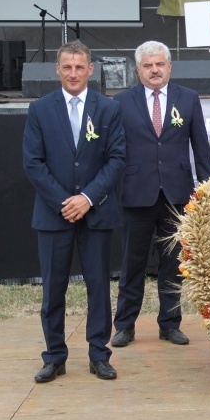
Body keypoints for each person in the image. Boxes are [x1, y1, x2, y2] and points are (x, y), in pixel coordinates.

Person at [23, 40, 126, 383]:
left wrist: (88, 198)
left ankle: (99, 354)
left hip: (96, 214)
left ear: (90, 70)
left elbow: (117, 160)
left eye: (79, 67)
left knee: (98, 287)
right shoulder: (40, 109)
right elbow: (33, 163)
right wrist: (64, 202)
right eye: (67, 67)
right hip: (54, 216)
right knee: (54, 288)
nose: (73, 73)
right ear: (57, 69)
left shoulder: (108, 109)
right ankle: (54, 356)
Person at [111, 41, 210, 348]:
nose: (154, 70)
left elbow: (201, 148)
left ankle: (170, 324)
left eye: (160, 64)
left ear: (169, 67)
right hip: (136, 194)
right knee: (133, 264)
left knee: (173, 264)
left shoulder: (188, 98)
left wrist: (207, 191)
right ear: (138, 70)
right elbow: (114, 152)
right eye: (147, 65)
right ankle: (125, 326)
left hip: (177, 195)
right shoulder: (120, 102)